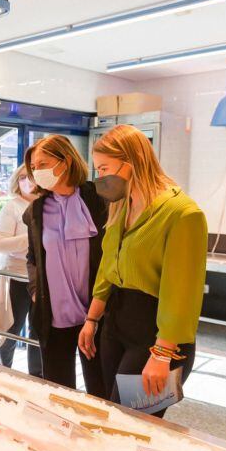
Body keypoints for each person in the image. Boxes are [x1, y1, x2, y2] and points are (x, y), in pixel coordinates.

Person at [79, 124, 208, 417]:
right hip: (116, 323)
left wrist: (162, 353)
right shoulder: (122, 206)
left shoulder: (182, 213)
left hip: (159, 335)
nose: (100, 178)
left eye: (104, 168)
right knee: (108, 414)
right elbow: (107, 268)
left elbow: (183, 291)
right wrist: (92, 319)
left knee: (134, 425)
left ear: (132, 162)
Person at [24, 134, 109, 399]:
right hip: (54, 316)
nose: (37, 172)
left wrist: (98, 312)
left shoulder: (98, 199)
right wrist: (37, 292)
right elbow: (33, 259)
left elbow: (110, 256)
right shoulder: (37, 211)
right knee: (60, 394)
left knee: (100, 391)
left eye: (43, 164)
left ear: (66, 160)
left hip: (95, 315)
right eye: (34, 167)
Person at [0, 167, 42, 375]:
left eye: (32, 176)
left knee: (38, 334)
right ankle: (2, 373)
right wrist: (34, 240)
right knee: (10, 330)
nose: (28, 181)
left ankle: (38, 377)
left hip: (42, 279)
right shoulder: (12, 207)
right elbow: (0, 244)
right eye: (23, 177)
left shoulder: (48, 204)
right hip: (15, 276)